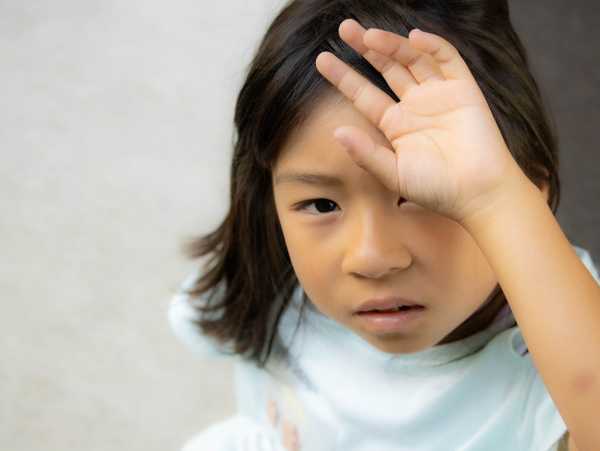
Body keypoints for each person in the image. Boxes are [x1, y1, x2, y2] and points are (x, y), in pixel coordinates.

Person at [167, 1, 600, 450]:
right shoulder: (275, 287)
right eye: (321, 205)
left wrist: (496, 198)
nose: (371, 257)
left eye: (421, 198)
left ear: (528, 193)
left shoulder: (564, 347)